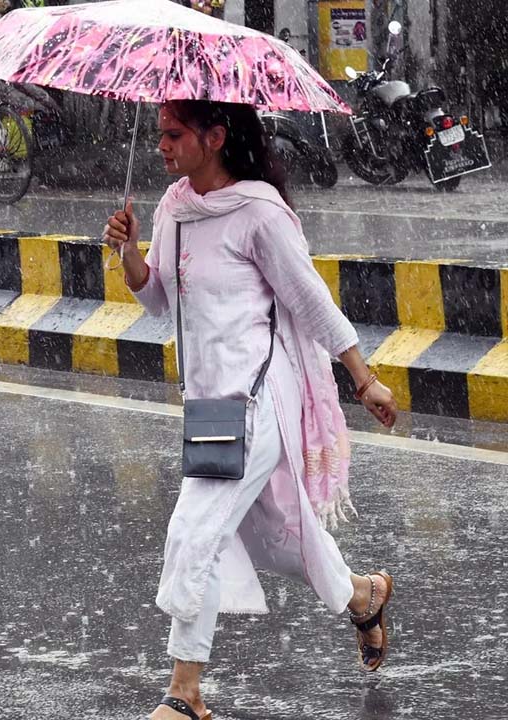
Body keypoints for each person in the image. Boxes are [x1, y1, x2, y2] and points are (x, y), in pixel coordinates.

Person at [102, 100, 401, 720]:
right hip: (210, 404)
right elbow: (157, 297)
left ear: (214, 137)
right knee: (272, 535)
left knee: (197, 527)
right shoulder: (175, 205)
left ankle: (184, 694)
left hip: (261, 396)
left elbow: (309, 296)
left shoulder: (260, 212)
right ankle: (362, 595)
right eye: (159, 134)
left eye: (174, 134)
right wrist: (131, 251)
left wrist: (363, 378)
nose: (162, 145)